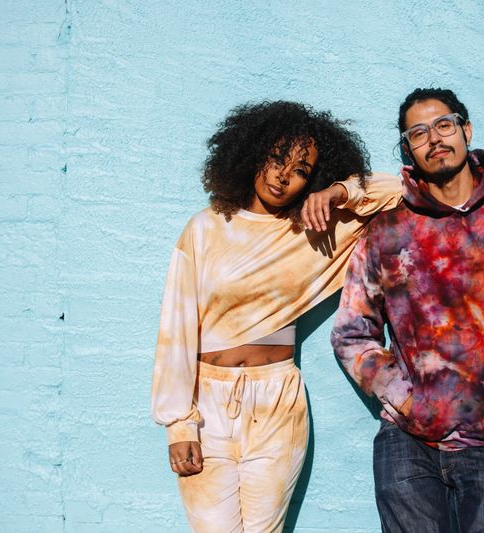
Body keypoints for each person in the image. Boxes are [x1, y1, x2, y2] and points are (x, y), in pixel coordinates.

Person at [331, 88, 484, 532]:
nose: (435, 138)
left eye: (444, 125)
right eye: (419, 133)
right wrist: (404, 398)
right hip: (406, 443)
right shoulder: (387, 230)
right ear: (408, 149)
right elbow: (352, 333)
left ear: (466, 130)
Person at [151, 100, 402, 532]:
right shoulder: (205, 228)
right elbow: (176, 328)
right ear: (253, 154)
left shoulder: (319, 228)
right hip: (208, 400)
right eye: (277, 159)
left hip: (277, 400)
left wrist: (338, 192)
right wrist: (179, 425)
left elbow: (398, 191)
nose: (285, 176)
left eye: (302, 169)